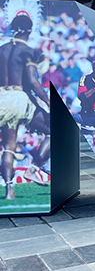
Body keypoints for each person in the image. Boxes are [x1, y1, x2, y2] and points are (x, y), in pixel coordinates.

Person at [0, 13, 51, 199]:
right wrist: (47, 101)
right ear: (29, 31)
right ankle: (33, 169)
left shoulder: (2, 49)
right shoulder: (27, 51)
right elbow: (32, 82)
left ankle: (9, 190)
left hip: (1, 99)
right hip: (18, 98)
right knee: (54, 130)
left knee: (8, 146)